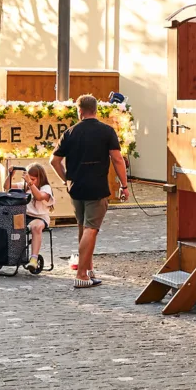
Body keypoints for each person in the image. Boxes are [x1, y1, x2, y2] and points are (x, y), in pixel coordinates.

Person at [51, 95, 128, 289]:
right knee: (91, 229)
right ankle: (81, 274)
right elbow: (117, 159)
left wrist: (66, 179)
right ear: (95, 110)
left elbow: (54, 161)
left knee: (84, 227)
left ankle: (89, 269)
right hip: (97, 187)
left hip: (76, 188)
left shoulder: (70, 132)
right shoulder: (107, 131)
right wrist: (124, 185)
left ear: (80, 111)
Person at [22, 163, 54, 274]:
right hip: (25, 216)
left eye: (33, 179)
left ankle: (34, 259)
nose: (30, 181)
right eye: (29, 178)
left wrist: (30, 183)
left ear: (40, 178)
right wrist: (10, 174)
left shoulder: (46, 188)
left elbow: (39, 197)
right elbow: (7, 186)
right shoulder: (26, 186)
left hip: (40, 217)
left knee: (36, 227)